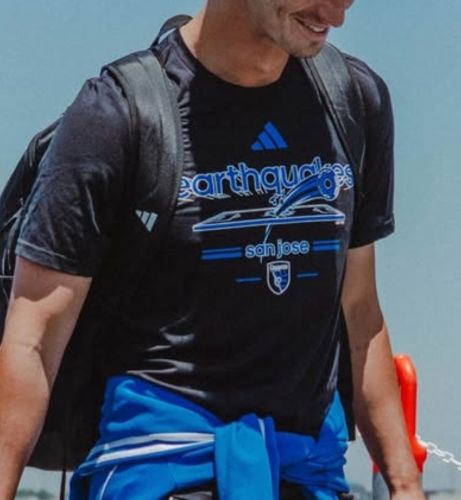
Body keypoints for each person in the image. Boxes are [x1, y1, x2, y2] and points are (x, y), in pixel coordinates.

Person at [0, 0, 425, 498]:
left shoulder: (353, 99)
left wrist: (405, 484)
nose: (336, 14)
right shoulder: (116, 115)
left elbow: (360, 311)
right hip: (160, 465)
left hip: (306, 471)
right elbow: (34, 338)